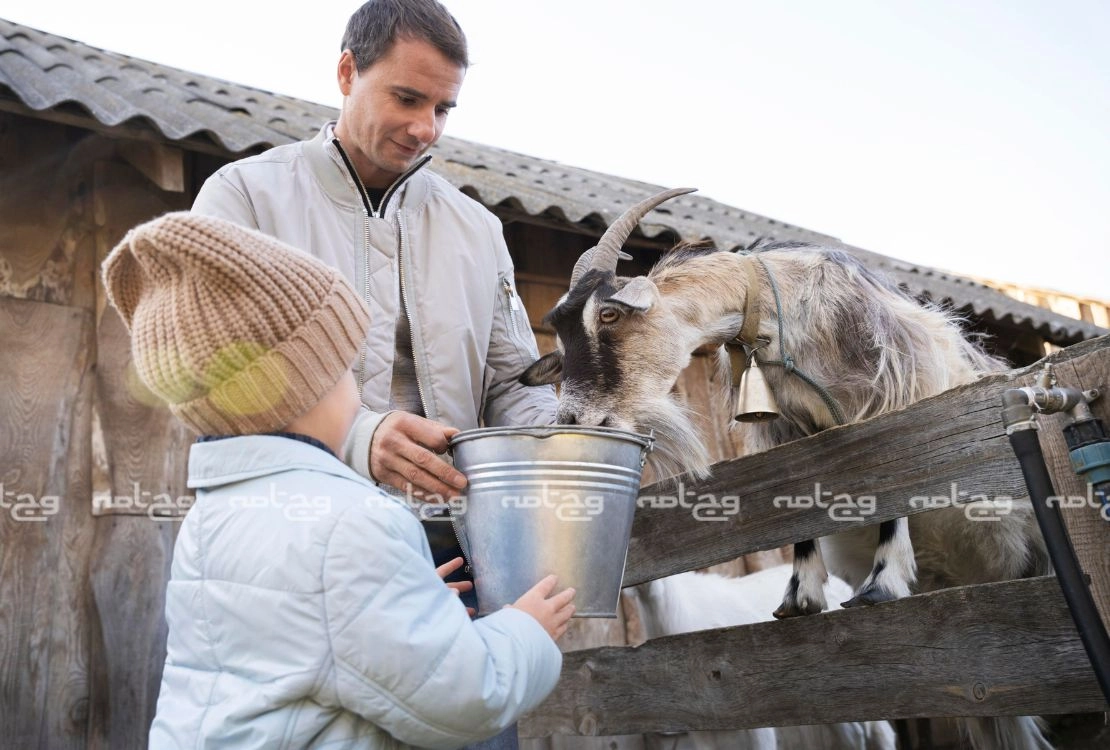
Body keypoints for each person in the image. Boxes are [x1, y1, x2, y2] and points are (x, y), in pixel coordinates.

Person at [102, 211, 575, 749]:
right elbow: (467, 695)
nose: (356, 392)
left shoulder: (215, 517)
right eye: (343, 371)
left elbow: (306, 627)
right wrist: (525, 630)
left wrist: (403, 600)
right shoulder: (353, 523)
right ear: (302, 388)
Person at [191, 0, 556, 504]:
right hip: (291, 524)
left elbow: (514, 385)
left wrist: (569, 438)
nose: (426, 129)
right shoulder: (244, 197)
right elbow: (212, 370)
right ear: (347, 72)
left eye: (442, 108)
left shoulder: (479, 230)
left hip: (455, 539)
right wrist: (355, 435)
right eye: (407, 98)